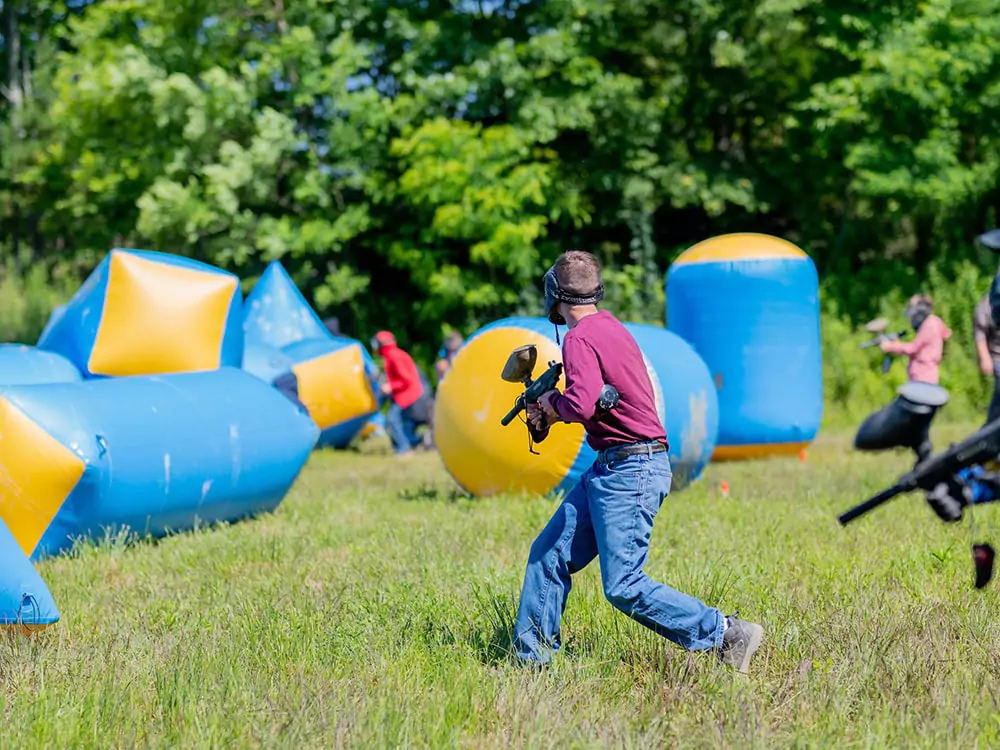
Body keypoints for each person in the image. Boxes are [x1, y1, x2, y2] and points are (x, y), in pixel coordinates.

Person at [512, 250, 764, 674]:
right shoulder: (612, 327)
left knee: (624, 584)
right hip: (616, 464)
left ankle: (725, 633)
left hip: (630, 468)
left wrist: (552, 406)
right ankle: (532, 664)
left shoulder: (578, 338)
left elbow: (582, 402)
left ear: (554, 293)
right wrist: (554, 407)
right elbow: (600, 400)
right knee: (549, 553)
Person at [370, 331, 433, 456]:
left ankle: (403, 449)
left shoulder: (395, 356)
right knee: (403, 423)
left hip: (407, 394)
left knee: (392, 420)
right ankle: (418, 440)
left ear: (382, 344)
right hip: (406, 393)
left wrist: (390, 386)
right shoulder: (391, 355)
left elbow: (406, 379)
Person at [879, 294, 952, 384]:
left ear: (921, 312)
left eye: (913, 316)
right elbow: (946, 334)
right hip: (927, 375)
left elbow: (913, 348)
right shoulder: (935, 321)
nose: (912, 320)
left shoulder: (928, 325)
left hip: (923, 376)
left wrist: (890, 347)